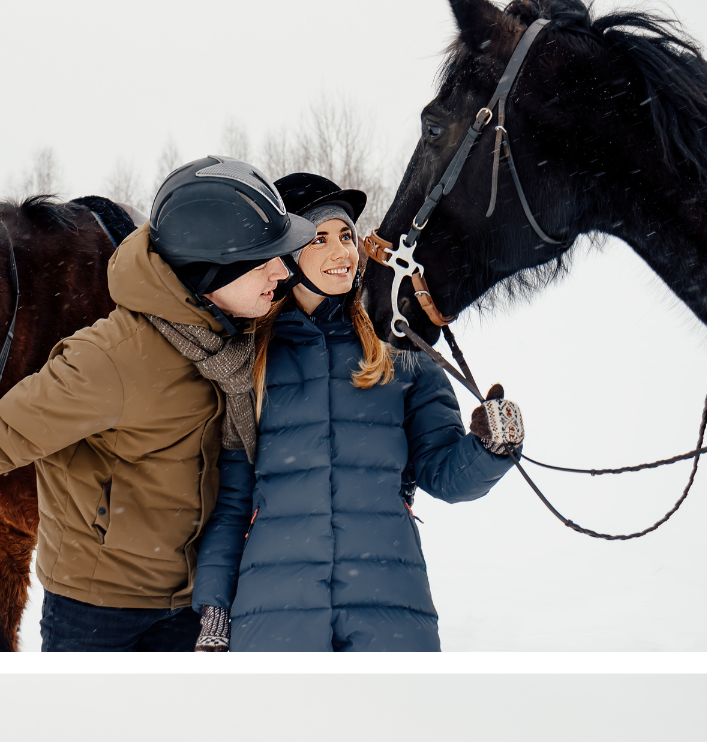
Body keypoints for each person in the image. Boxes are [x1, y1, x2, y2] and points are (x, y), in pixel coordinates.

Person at [0, 160, 316, 652]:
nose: (281, 273)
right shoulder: (110, 358)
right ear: (210, 265)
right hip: (100, 615)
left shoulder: (236, 346)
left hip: (198, 605)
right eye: (264, 260)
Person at [191, 172, 524, 651]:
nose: (341, 252)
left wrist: (489, 449)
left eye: (346, 236)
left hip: (389, 608)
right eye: (318, 238)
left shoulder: (400, 349)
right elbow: (231, 503)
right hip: (275, 613)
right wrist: (216, 609)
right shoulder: (249, 357)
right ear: (285, 255)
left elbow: (446, 475)